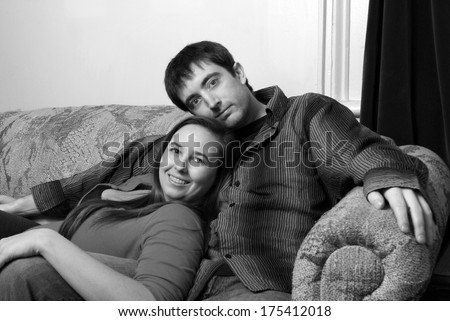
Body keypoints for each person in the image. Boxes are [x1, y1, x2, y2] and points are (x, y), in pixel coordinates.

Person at [0, 41, 436, 301]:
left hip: (245, 284)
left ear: (239, 73)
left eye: (212, 82)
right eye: (193, 100)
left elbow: (362, 148)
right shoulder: (197, 139)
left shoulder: (303, 115)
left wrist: (385, 175)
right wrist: (33, 201)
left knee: (27, 272)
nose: (208, 102)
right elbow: (121, 162)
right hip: (168, 269)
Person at [0, 116, 233, 300]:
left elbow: (152, 305)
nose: (180, 166)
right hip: (31, 234)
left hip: (33, 254)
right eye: (175, 150)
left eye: (198, 160)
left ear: (216, 178)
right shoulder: (142, 193)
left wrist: (43, 240)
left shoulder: (181, 219)